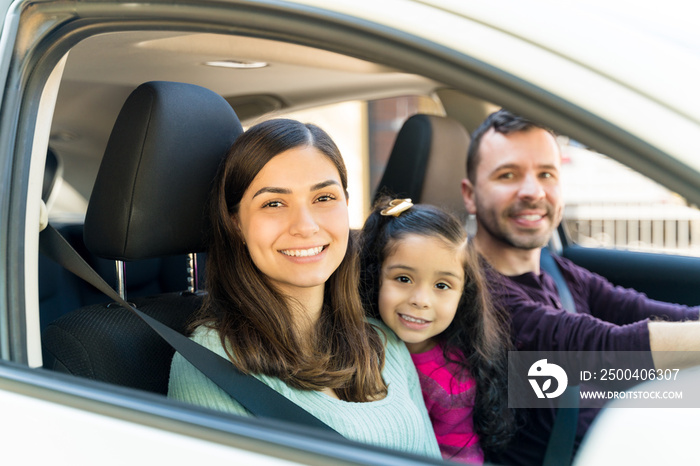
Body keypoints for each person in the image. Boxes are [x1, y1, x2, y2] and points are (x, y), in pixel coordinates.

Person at [168, 118, 441, 458]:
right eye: (273, 203)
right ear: (236, 222)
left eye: (324, 197)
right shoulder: (211, 363)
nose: (306, 226)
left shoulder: (383, 341)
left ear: (346, 204)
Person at [460, 109, 700, 465]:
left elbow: (649, 311)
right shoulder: (471, 292)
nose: (532, 191)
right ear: (470, 195)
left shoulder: (556, 270)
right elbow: (608, 349)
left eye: (546, 174)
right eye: (508, 175)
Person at [359, 196, 516, 464]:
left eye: (442, 286)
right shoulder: (354, 337)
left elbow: (458, 458)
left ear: (462, 295)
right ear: (375, 276)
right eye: (403, 279)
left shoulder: (451, 383)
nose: (421, 299)